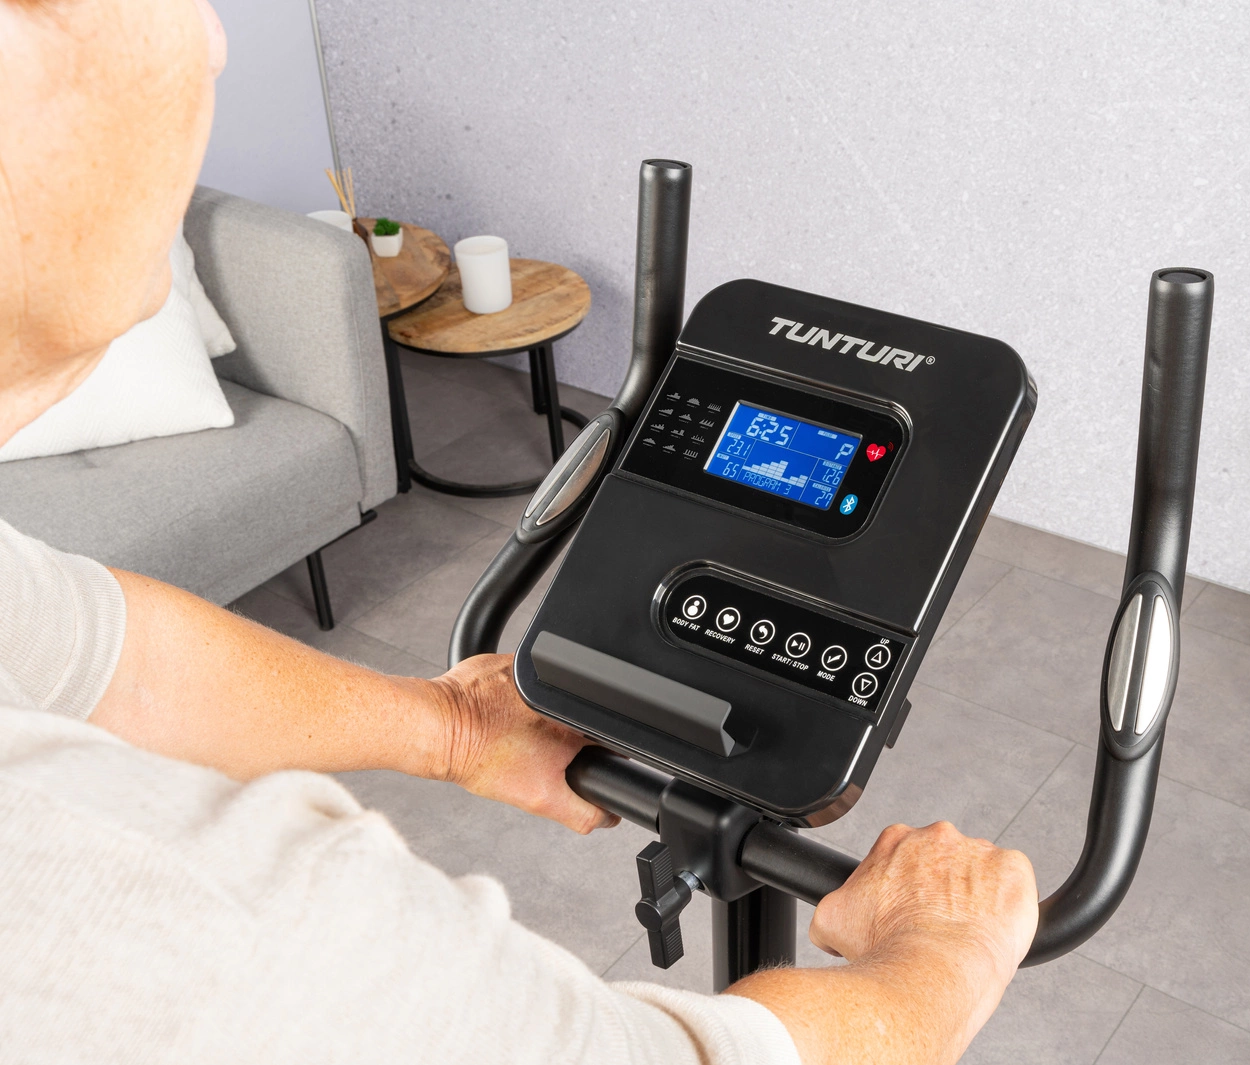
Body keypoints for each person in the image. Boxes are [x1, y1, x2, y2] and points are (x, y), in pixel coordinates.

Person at [0, 2, 1038, 1063]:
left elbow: (100, 656)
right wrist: (946, 952)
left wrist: (453, 726)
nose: (213, 37)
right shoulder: (196, 916)